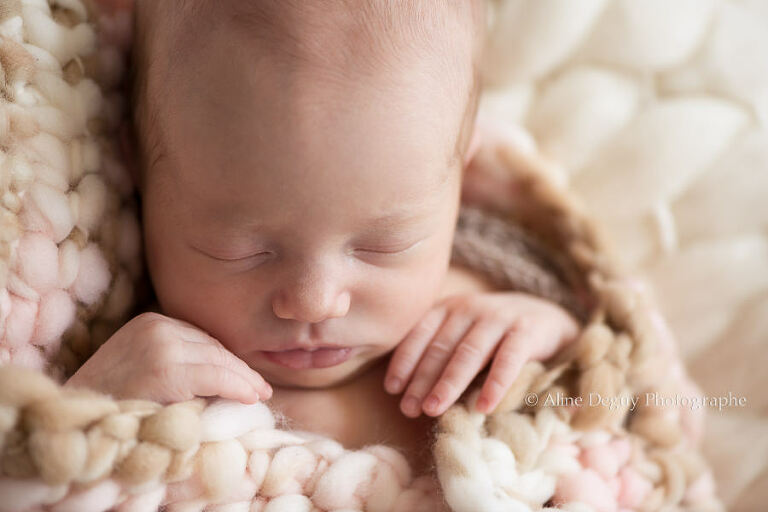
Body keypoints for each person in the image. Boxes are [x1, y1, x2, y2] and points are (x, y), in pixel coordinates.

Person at [67, 0, 580, 475]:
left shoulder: (490, 298)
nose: (313, 303)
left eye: (383, 245)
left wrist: (561, 348)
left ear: (459, 180)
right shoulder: (129, 358)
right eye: (243, 250)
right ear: (138, 169)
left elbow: (636, 414)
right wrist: (80, 420)